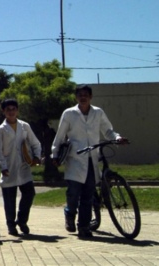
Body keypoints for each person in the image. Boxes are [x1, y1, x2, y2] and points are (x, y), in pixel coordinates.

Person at [51, 84, 127, 239]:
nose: (83, 97)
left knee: (87, 195)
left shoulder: (98, 112)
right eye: (80, 95)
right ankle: (69, 213)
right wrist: (55, 154)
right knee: (73, 194)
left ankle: (84, 226)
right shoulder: (69, 113)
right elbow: (60, 135)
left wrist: (117, 138)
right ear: (76, 97)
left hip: (92, 158)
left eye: (86, 95)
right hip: (75, 159)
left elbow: (107, 130)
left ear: (91, 97)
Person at [0, 98, 41, 236]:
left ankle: (22, 220)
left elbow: (35, 143)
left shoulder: (24, 126)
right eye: (8, 109)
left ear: (17, 110)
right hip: (9, 167)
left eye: (13, 109)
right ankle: (11, 224)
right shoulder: (1, 130)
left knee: (29, 193)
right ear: (3, 112)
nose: (11, 112)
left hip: (23, 166)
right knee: (9, 198)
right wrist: (3, 166)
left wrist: (37, 156)